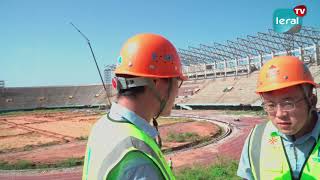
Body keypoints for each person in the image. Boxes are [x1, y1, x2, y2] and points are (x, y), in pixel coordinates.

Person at [82, 33, 186, 180]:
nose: (177, 91)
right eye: (177, 81)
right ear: (156, 82)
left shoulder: (102, 126)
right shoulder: (139, 161)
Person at [237, 56, 320, 180]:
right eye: (270, 105)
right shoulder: (257, 138)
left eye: (288, 104)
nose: (280, 114)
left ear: (312, 101)